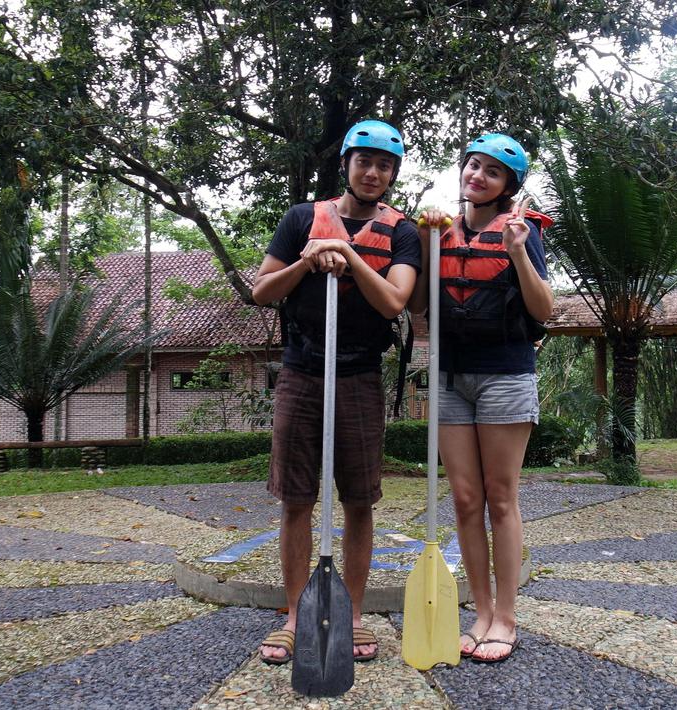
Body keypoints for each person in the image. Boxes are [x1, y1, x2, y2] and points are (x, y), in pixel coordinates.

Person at [251, 120, 421, 665]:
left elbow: (395, 303)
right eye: (364, 161)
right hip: (303, 371)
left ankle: (350, 614)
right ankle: (297, 613)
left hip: (359, 375)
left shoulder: (402, 232)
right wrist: (309, 257)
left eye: (385, 165)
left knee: (358, 501)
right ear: (346, 164)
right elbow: (262, 291)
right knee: (297, 499)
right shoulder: (302, 218)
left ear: (393, 174)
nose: (373, 172)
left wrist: (348, 257)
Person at [412, 133, 553, 664]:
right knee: (466, 500)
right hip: (450, 378)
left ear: (507, 186)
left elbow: (544, 310)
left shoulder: (522, 233)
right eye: (473, 166)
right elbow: (420, 306)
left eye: (492, 172)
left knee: (500, 498)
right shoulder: (438, 230)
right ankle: (481, 609)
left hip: (505, 376)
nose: (478, 176)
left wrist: (517, 250)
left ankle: (507, 617)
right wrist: (428, 244)